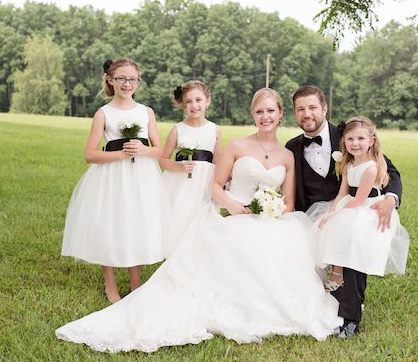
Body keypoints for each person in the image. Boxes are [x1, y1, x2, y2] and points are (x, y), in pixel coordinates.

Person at [55, 88, 341, 353]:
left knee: (284, 249)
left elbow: (289, 202)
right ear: (253, 115)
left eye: (270, 111)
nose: (265, 117)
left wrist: (270, 210)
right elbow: (216, 186)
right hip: (235, 216)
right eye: (259, 112)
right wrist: (232, 204)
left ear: (280, 114)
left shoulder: (287, 154)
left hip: (270, 220)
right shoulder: (237, 146)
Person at [285, 85, 403, 338]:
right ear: (294, 114)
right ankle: (318, 300)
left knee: (354, 239)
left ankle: (350, 314)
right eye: (301, 109)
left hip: (355, 208)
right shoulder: (292, 146)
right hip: (316, 210)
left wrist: (391, 198)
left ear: (324, 108)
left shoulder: (350, 134)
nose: (307, 114)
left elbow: (389, 170)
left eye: (313, 107)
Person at [60, 58, 165, 304]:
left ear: (138, 81)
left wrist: (143, 150)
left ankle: (136, 283)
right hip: (111, 178)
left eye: (132, 79)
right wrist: (120, 154)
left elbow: (160, 150)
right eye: (121, 78)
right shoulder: (103, 113)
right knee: (111, 225)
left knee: (136, 224)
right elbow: (90, 154)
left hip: (141, 178)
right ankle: (110, 286)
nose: (127, 84)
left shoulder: (146, 112)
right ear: (110, 79)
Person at [316, 116, 409, 291]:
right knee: (327, 226)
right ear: (344, 141)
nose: (355, 143)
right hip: (347, 202)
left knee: (346, 230)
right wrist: (332, 211)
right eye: (350, 139)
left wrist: (391, 198)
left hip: (365, 206)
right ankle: (334, 273)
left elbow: (360, 199)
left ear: (372, 141)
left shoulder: (371, 166)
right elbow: (343, 192)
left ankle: (344, 282)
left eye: (360, 139)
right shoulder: (347, 162)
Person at [160, 80, 221, 257]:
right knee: (180, 218)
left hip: (204, 183)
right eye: (188, 102)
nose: (194, 105)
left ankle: (196, 259)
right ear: (182, 105)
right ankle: (175, 256)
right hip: (181, 184)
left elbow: (217, 159)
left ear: (207, 100)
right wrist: (179, 167)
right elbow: (163, 160)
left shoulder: (214, 129)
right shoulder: (177, 129)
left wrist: (221, 182)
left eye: (198, 100)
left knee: (201, 223)